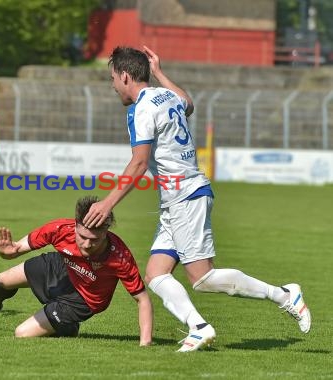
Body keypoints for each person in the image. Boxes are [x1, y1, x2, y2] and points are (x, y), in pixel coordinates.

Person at [82, 46, 311, 352]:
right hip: (176, 198)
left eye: (112, 78)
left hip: (185, 196)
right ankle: (199, 327)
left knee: (202, 278)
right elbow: (188, 104)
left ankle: (284, 294)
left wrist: (108, 202)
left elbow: (138, 163)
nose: (112, 85)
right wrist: (160, 73)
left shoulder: (141, 108)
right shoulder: (166, 96)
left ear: (125, 76)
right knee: (156, 274)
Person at [0, 195, 153, 344]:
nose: (87, 244)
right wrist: (7, 252)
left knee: (22, 333)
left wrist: (145, 344)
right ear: (75, 226)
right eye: (82, 236)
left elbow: (142, 299)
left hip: (83, 299)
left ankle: (67, 326)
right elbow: (15, 251)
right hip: (63, 267)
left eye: (94, 239)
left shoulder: (120, 256)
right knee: (3, 279)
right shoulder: (60, 230)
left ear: (106, 232)